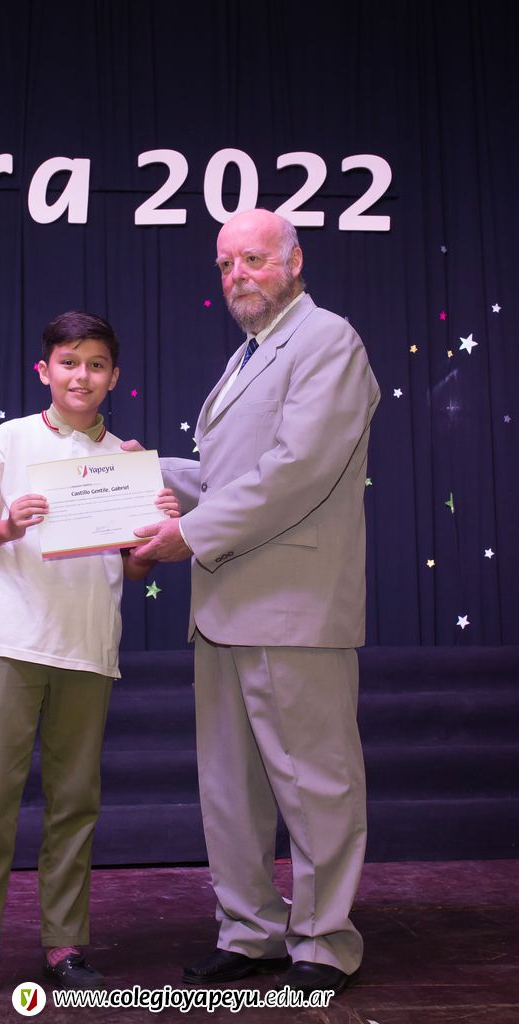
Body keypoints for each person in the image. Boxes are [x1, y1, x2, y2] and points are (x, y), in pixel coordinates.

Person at [124, 208, 380, 997]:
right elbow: (228, 476)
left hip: (292, 605)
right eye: (226, 264)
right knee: (230, 788)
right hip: (225, 605)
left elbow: (296, 471)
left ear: (294, 262)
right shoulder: (247, 357)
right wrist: (143, 471)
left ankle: (323, 942)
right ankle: (250, 932)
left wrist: (188, 533)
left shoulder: (326, 340)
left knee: (314, 782)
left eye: (254, 260)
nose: (238, 275)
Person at [0, 311, 179, 1008]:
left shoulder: (128, 460)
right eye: (69, 362)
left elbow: (133, 568)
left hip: (89, 648)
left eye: (96, 365)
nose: (81, 376)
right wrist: (8, 524)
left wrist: (158, 526)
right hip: (11, 642)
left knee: (74, 801)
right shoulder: (10, 440)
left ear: (114, 377)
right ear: (45, 371)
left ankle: (65, 945)